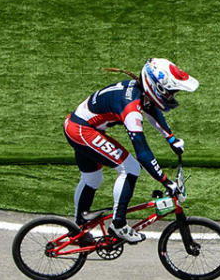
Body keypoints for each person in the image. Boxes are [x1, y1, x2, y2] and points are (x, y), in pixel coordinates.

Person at [65, 58, 197, 243]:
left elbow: (151, 109)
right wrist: (165, 181)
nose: (171, 96)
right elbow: (142, 152)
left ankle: (78, 229)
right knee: (131, 168)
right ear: (156, 87)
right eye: (170, 92)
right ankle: (118, 225)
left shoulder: (138, 91)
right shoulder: (130, 108)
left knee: (92, 178)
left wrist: (171, 138)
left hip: (79, 126)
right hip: (81, 131)